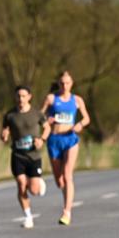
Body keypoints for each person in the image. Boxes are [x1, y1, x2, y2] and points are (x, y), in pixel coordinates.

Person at [41, 70, 90, 226]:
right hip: (54, 140)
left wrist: (80, 124)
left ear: (72, 83)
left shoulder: (77, 100)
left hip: (70, 139)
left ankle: (67, 212)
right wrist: (46, 120)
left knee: (68, 174)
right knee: (59, 180)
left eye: (67, 83)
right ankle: (66, 199)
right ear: (58, 83)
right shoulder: (51, 99)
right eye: (62, 83)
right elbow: (38, 116)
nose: (64, 85)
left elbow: (87, 118)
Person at [1, 85, 50, 228]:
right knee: (21, 184)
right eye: (18, 96)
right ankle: (28, 216)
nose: (20, 99)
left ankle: (38, 182)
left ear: (29, 97)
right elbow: (5, 131)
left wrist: (42, 140)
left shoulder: (37, 114)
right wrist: (4, 136)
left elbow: (47, 127)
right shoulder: (10, 115)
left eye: (23, 96)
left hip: (34, 156)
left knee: (34, 190)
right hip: (18, 155)